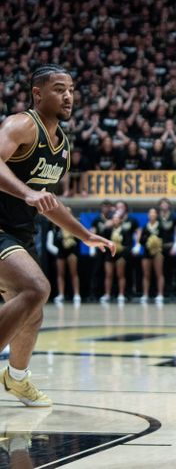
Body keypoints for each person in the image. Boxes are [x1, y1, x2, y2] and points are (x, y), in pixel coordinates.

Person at [0, 64, 114, 407]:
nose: (68, 96)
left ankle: (16, 379)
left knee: (32, 311)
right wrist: (27, 194)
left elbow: (48, 202)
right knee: (37, 288)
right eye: (59, 89)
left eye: (72, 89)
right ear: (38, 94)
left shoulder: (62, 147)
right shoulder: (21, 124)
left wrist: (85, 235)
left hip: (20, 232)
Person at [46, 216, 81, 305]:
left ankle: (76, 294)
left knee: (74, 273)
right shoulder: (56, 226)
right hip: (61, 252)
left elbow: (79, 238)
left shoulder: (73, 226)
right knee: (60, 273)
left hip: (72, 251)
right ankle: (61, 294)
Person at [135, 208, 165, 304]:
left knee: (159, 274)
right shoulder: (145, 227)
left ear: (157, 215)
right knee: (146, 274)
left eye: (154, 213)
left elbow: (164, 239)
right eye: (150, 213)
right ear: (148, 215)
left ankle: (160, 294)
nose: (152, 215)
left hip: (158, 253)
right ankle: (145, 294)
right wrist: (148, 241)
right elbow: (140, 240)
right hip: (147, 253)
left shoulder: (161, 226)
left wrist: (157, 243)